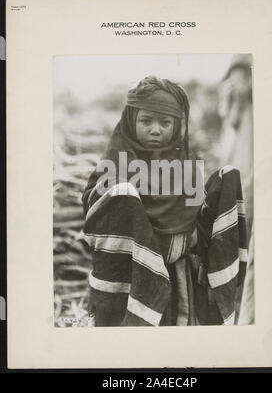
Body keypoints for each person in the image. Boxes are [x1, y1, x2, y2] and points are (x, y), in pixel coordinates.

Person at [82, 76, 248, 327]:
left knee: (228, 178)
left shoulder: (187, 164)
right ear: (131, 121)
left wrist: (188, 236)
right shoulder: (116, 162)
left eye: (165, 122)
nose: (156, 129)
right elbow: (96, 211)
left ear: (177, 125)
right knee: (121, 192)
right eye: (146, 121)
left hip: (178, 274)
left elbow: (195, 220)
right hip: (130, 272)